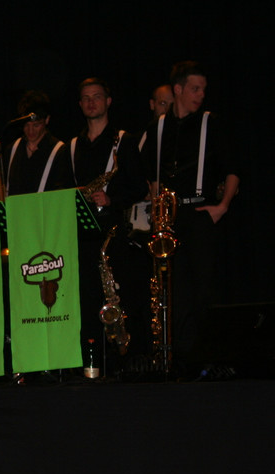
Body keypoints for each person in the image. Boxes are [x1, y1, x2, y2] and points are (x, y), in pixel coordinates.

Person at [140, 61, 241, 368]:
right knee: (174, 292)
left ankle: (207, 360)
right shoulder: (158, 127)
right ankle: (179, 360)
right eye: (195, 89)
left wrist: (222, 206)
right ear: (178, 90)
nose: (201, 95)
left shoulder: (211, 123)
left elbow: (233, 169)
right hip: (169, 219)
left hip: (199, 213)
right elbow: (151, 177)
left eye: (203, 90)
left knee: (203, 289)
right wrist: (157, 213)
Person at [69, 78, 151, 365]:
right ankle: (92, 364)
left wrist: (111, 198)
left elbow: (139, 187)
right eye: (86, 98)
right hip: (83, 235)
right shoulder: (73, 146)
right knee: (87, 299)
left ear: (108, 101)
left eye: (97, 96)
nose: (91, 102)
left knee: (119, 297)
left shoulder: (123, 141)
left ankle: (124, 361)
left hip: (114, 234)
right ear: (80, 104)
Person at [0, 90, 71, 199]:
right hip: (16, 210)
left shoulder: (59, 151)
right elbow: (8, 191)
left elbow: (61, 193)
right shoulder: (12, 149)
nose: (30, 130)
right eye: (26, 125)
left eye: (36, 125)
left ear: (47, 119)